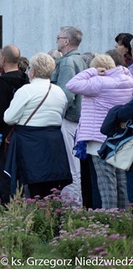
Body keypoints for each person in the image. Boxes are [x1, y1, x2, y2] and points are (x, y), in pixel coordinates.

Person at [67, 54, 133, 209]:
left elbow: (72, 84)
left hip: (98, 138)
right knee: (121, 181)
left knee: (106, 183)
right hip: (120, 138)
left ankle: (109, 218)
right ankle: (124, 217)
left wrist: (91, 71)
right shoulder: (129, 80)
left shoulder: (98, 82)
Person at [3, 53, 72, 199]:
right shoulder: (59, 91)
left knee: (32, 187)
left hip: (30, 142)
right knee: (52, 187)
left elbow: (9, 118)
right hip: (54, 141)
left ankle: (33, 217)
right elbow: (61, 113)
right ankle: (52, 215)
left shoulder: (26, 90)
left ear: (32, 71)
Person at [50, 26, 88, 206]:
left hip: (69, 119)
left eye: (58, 37)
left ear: (66, 41)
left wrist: (55, 115)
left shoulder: (67, 63)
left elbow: (66, 95)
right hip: (81, 120)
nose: (56, 40)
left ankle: (72, 209)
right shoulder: (83, 60)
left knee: (71, 168)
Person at [0, 45, 29, 204]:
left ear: (3, 59)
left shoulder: (2, 82)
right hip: (23, 134)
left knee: (5, 175)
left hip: (4, 137)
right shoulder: (26, 80)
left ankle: (8, 207)